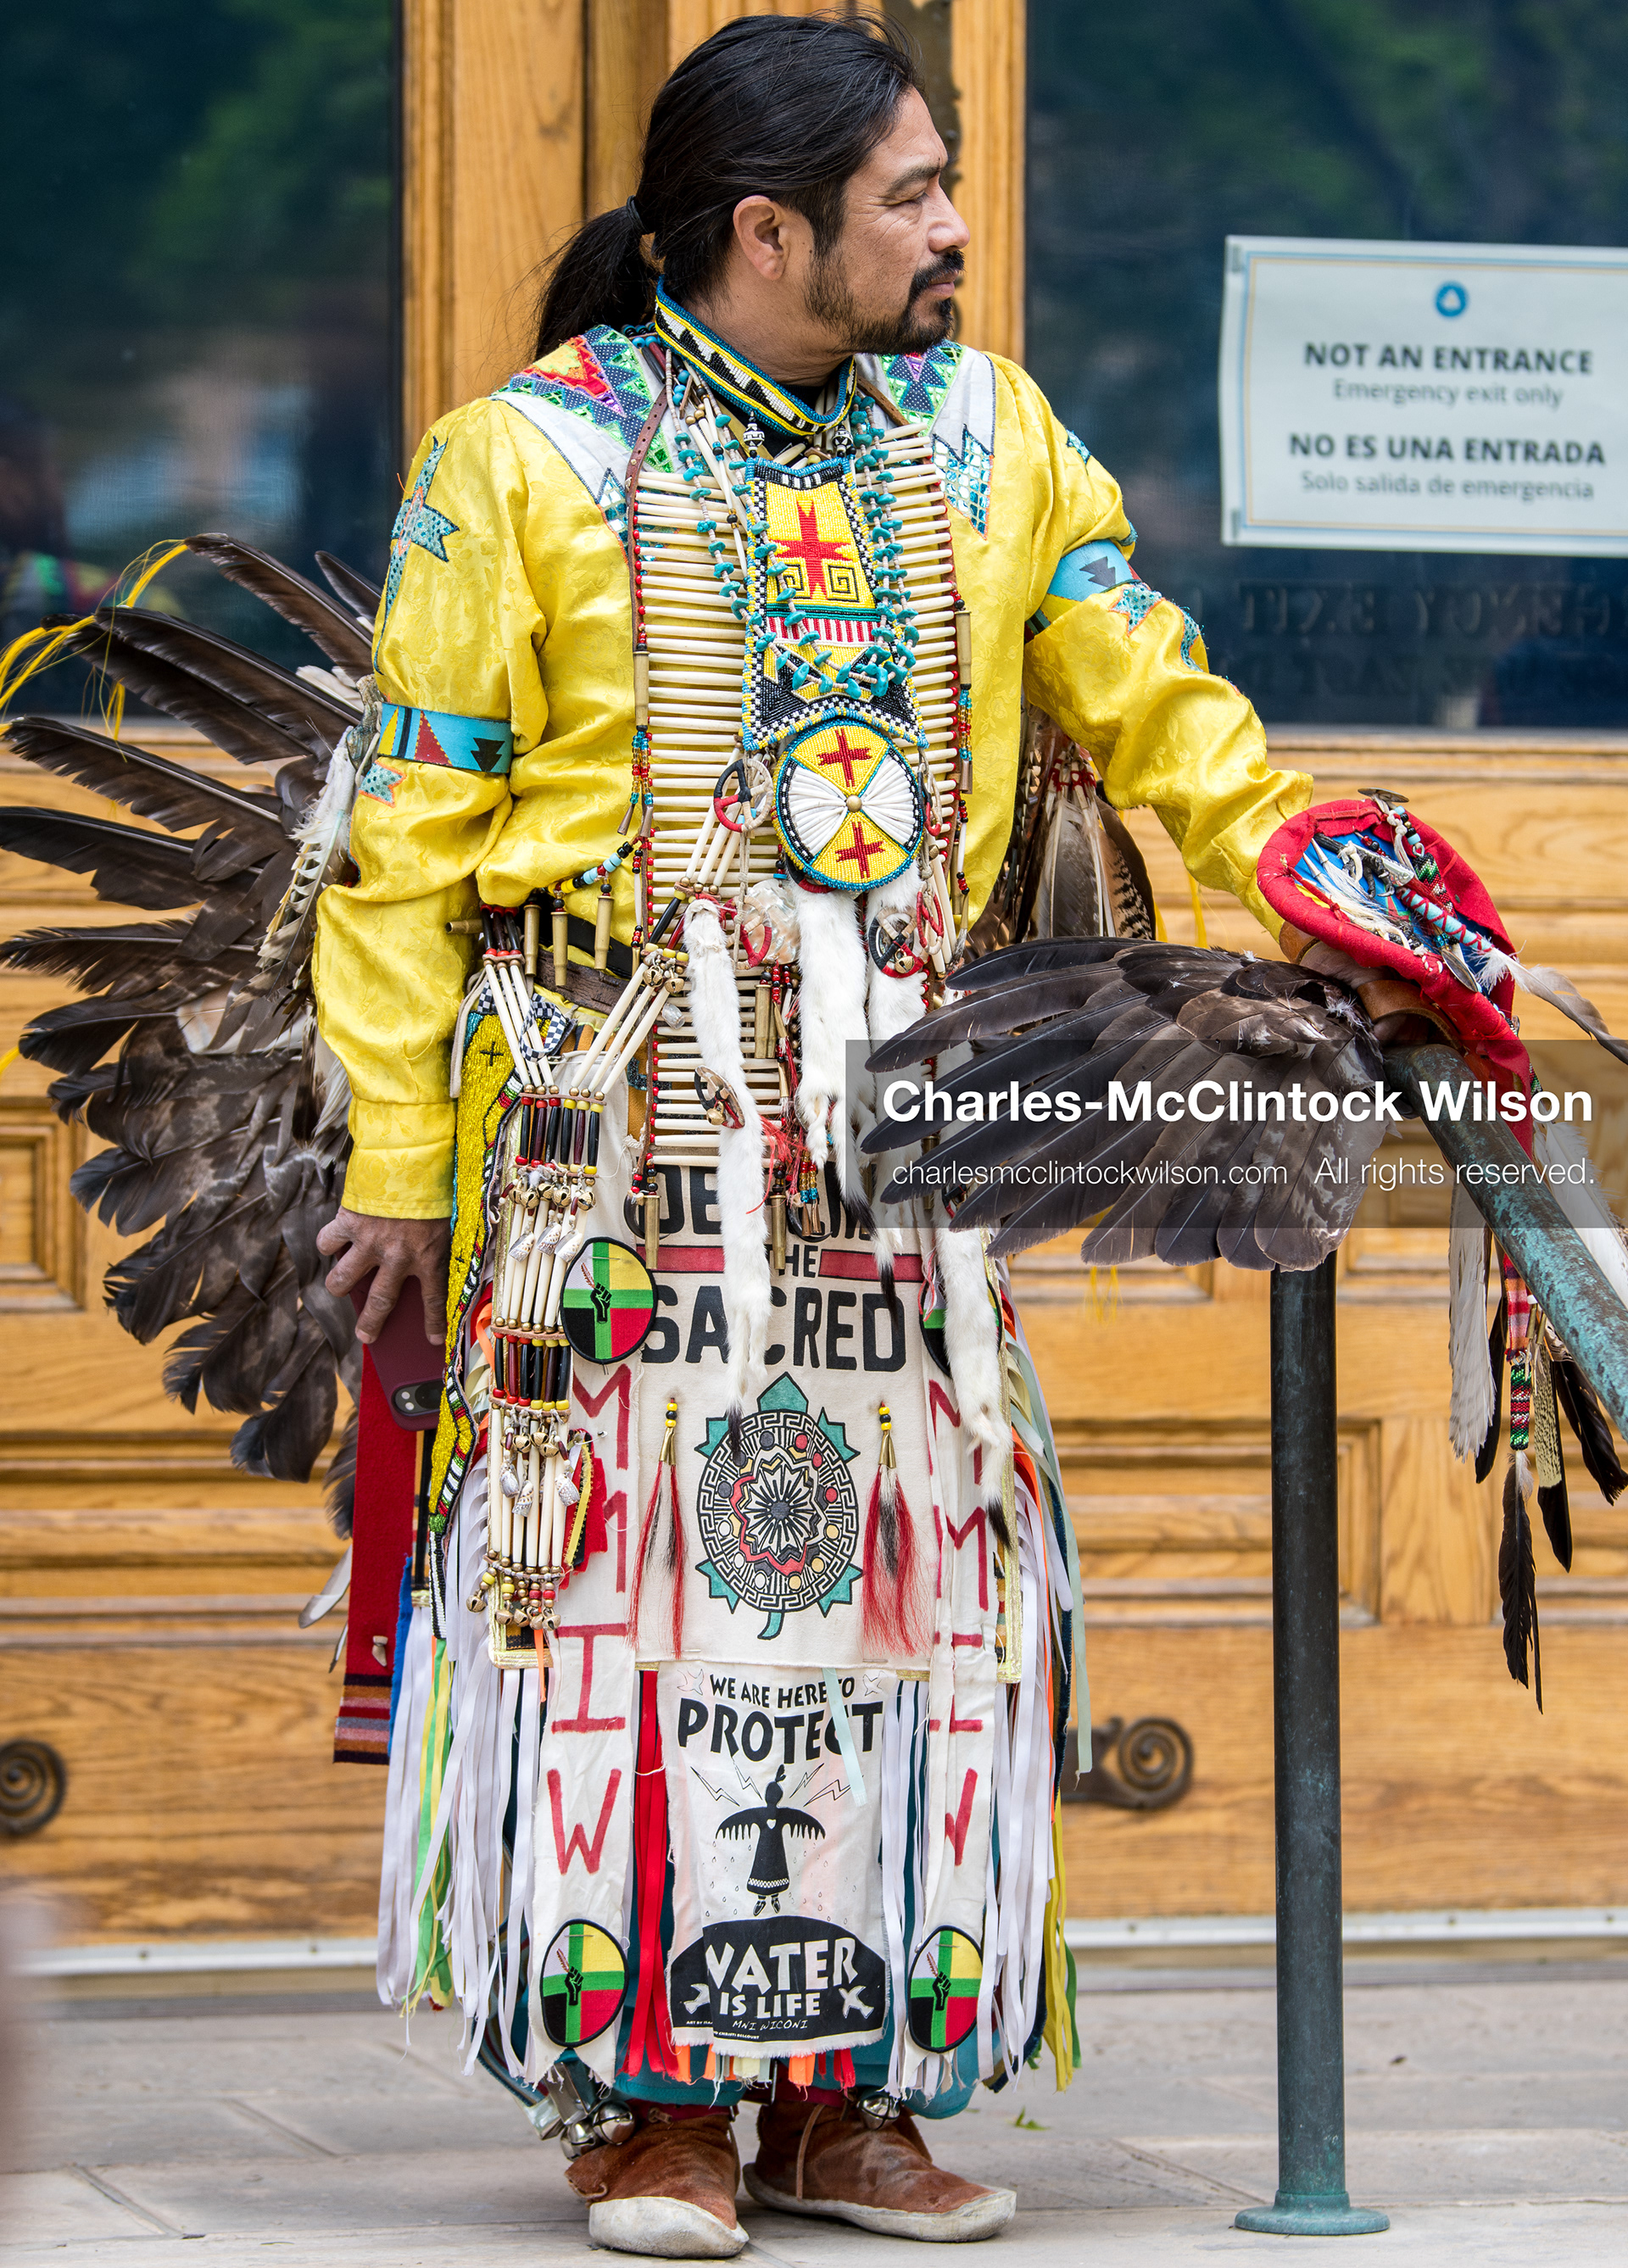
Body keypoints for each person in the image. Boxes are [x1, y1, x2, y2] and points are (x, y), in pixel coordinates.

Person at [310, 11, 1313, 2254]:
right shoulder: (529, 464)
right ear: (769, 233)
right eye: (913, 197)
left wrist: (1323, 860)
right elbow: (405, 836)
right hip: (617, 1129)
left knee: (908, 1599)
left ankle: (853, 2099)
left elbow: (1148, 685)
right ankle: (650, 2107)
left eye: (949, 184)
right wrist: (395, 1149)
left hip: (898, 1158)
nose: (956, 233)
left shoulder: (990, 440)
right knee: (624, 1616)